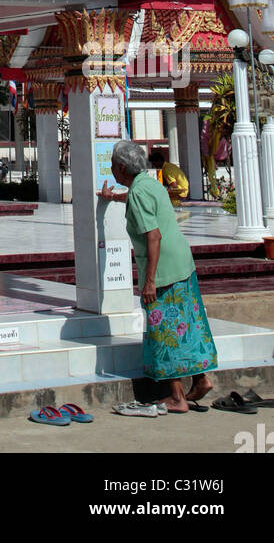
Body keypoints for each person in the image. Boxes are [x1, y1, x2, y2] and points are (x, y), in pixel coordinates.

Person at [100, 139, 216, 413]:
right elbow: (138, 198)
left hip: (163, 269)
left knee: (165, 330)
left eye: (113, 167)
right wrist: (114, 197)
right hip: (182, 262)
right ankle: (202, 379)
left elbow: (153, 237)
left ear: (121, 168)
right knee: (187, 322)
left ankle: (176, 397)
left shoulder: (140, 191)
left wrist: (149, 281)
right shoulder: (148, 183)